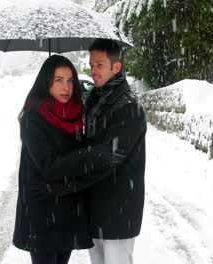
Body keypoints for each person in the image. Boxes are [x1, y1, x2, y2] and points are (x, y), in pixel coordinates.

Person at [41, 39, 147, 264]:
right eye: (91, 64)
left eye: (99, 65)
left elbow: (109, 155)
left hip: (118, 211)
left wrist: (65, 167)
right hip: (95, 207)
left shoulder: (129, 106)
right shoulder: (95, 101)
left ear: (115, 67)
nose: (93, 70)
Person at [12, 55, 93, 264]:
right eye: (58, 80)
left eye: (70, 80)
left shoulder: (76, 114)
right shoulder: (34, 117)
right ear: (46, 82)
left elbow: (74, 167)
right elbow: (50, 166)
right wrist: (87, 156)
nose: (66, 87)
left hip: (68, 209)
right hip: (43, 213)